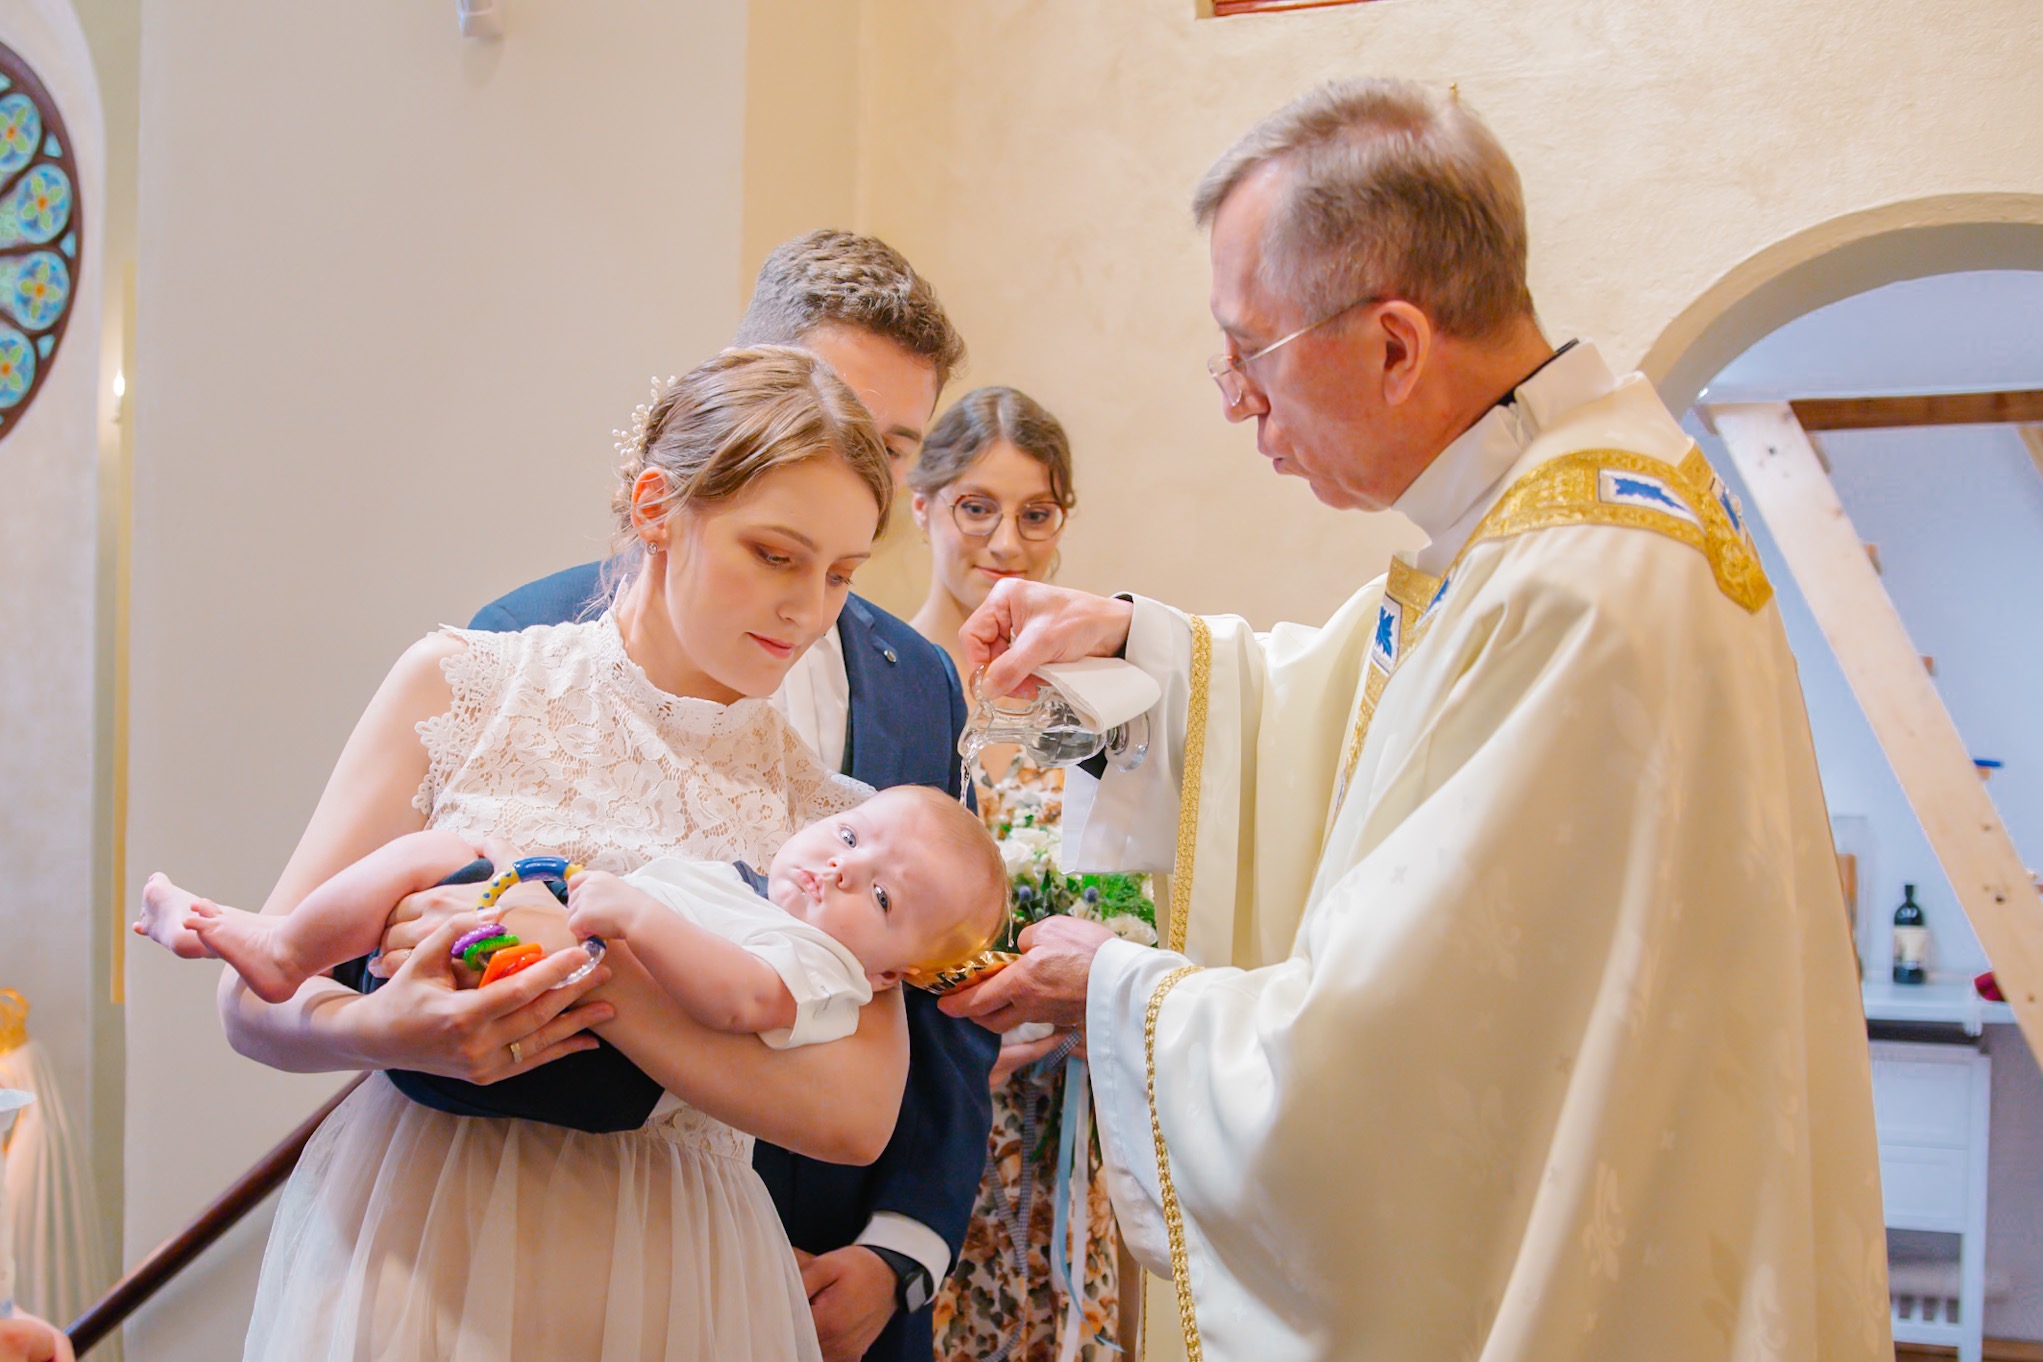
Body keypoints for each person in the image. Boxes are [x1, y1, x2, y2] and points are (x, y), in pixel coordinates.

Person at [939, 79, 1890, 1362]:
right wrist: (1136, 643)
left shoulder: (1577, 588)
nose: (1235, 402)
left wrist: (1115, 988)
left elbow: (1391, 1053)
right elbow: (1357, 710)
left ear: (1395, 343)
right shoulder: (1543, 516)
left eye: (1248, 352)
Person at [220, 346, 912, 1361]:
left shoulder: (827, 822)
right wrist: (385, 1029)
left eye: (840, 575)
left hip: (683, 1271)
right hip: (424, 1234)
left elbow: (855, 1118)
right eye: (774, 555)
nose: (809, 610)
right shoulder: (462, 688)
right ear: (656, 508)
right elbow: (251, 999)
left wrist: (609, 989)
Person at [459, 229, 999, 1362]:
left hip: (821, 1280)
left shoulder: (920, 684)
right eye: (829, 406)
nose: (850, 456)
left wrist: (904, 1248)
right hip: (562, 1238)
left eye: (892, 446)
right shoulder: (521, 644)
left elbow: (937, 983)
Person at [902, 387, 1125, 1360]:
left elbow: (1142, 884)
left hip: (1066, 1124)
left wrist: (1105, 975)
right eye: (975, 507)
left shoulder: (1098, 706)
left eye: (1036, 513)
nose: (1006, 541)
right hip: (923, 1109)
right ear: (922, 506)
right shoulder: (889, 682)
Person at [137, 784, 1008, 1032]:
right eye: (849, 837)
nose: (843, 872)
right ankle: (283, 946)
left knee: (456, 872)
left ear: (890, 971)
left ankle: (288, 950)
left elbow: (741, 1000)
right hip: (560, 911)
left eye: (883, 896)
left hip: (574, 1013)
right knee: (442, 851)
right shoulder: (750, 887)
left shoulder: (823, 971)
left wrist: (637, 918)